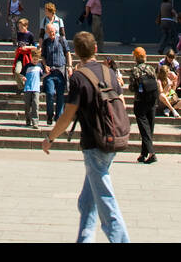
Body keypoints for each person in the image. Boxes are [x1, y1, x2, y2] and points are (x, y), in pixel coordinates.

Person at [41, 31, 130, 244]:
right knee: (87, 201)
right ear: (96, 49)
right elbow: (122, 103)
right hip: (114, 136)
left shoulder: (79, 78)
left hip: (94, 141)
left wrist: (50, 138)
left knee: (106, 200)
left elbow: (68, 114)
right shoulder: (109, 72)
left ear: (76, 53)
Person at [129, 46, 158, 163]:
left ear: (135, 58)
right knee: (149, 126)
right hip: (152, 100)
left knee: (144, 127)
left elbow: (132, 87)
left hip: (140, 100)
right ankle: (143, 153)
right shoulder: (151, 68)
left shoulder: (135, 70)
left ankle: (151, 153)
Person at [41, 21, 71, 125]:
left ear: (55, 30)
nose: (51, 33)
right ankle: (50, 115)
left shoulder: (62, 40)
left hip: (61, 71)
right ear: (46, 32)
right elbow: (43, 56)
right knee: (49, 93)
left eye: (52, 31)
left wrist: (70, 67)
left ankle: (58, 118)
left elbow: (68, 53)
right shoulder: (45, 42)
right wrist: (45, 66)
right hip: (50, 73)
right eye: (49, 32)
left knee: (60, 96)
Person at [22, 49, 42, 128]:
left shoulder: (39, 66)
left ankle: (35, 122)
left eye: (37, 60)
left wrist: (47, 73)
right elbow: (22, 74)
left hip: (36, 88)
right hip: (28, 88)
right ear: (31, 58)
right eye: (34, 59)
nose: (35, 61)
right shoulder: (27, 66)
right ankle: (28, 120)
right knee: (27, 106)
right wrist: (23, 78)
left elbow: (41, 75)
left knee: (35, 105)